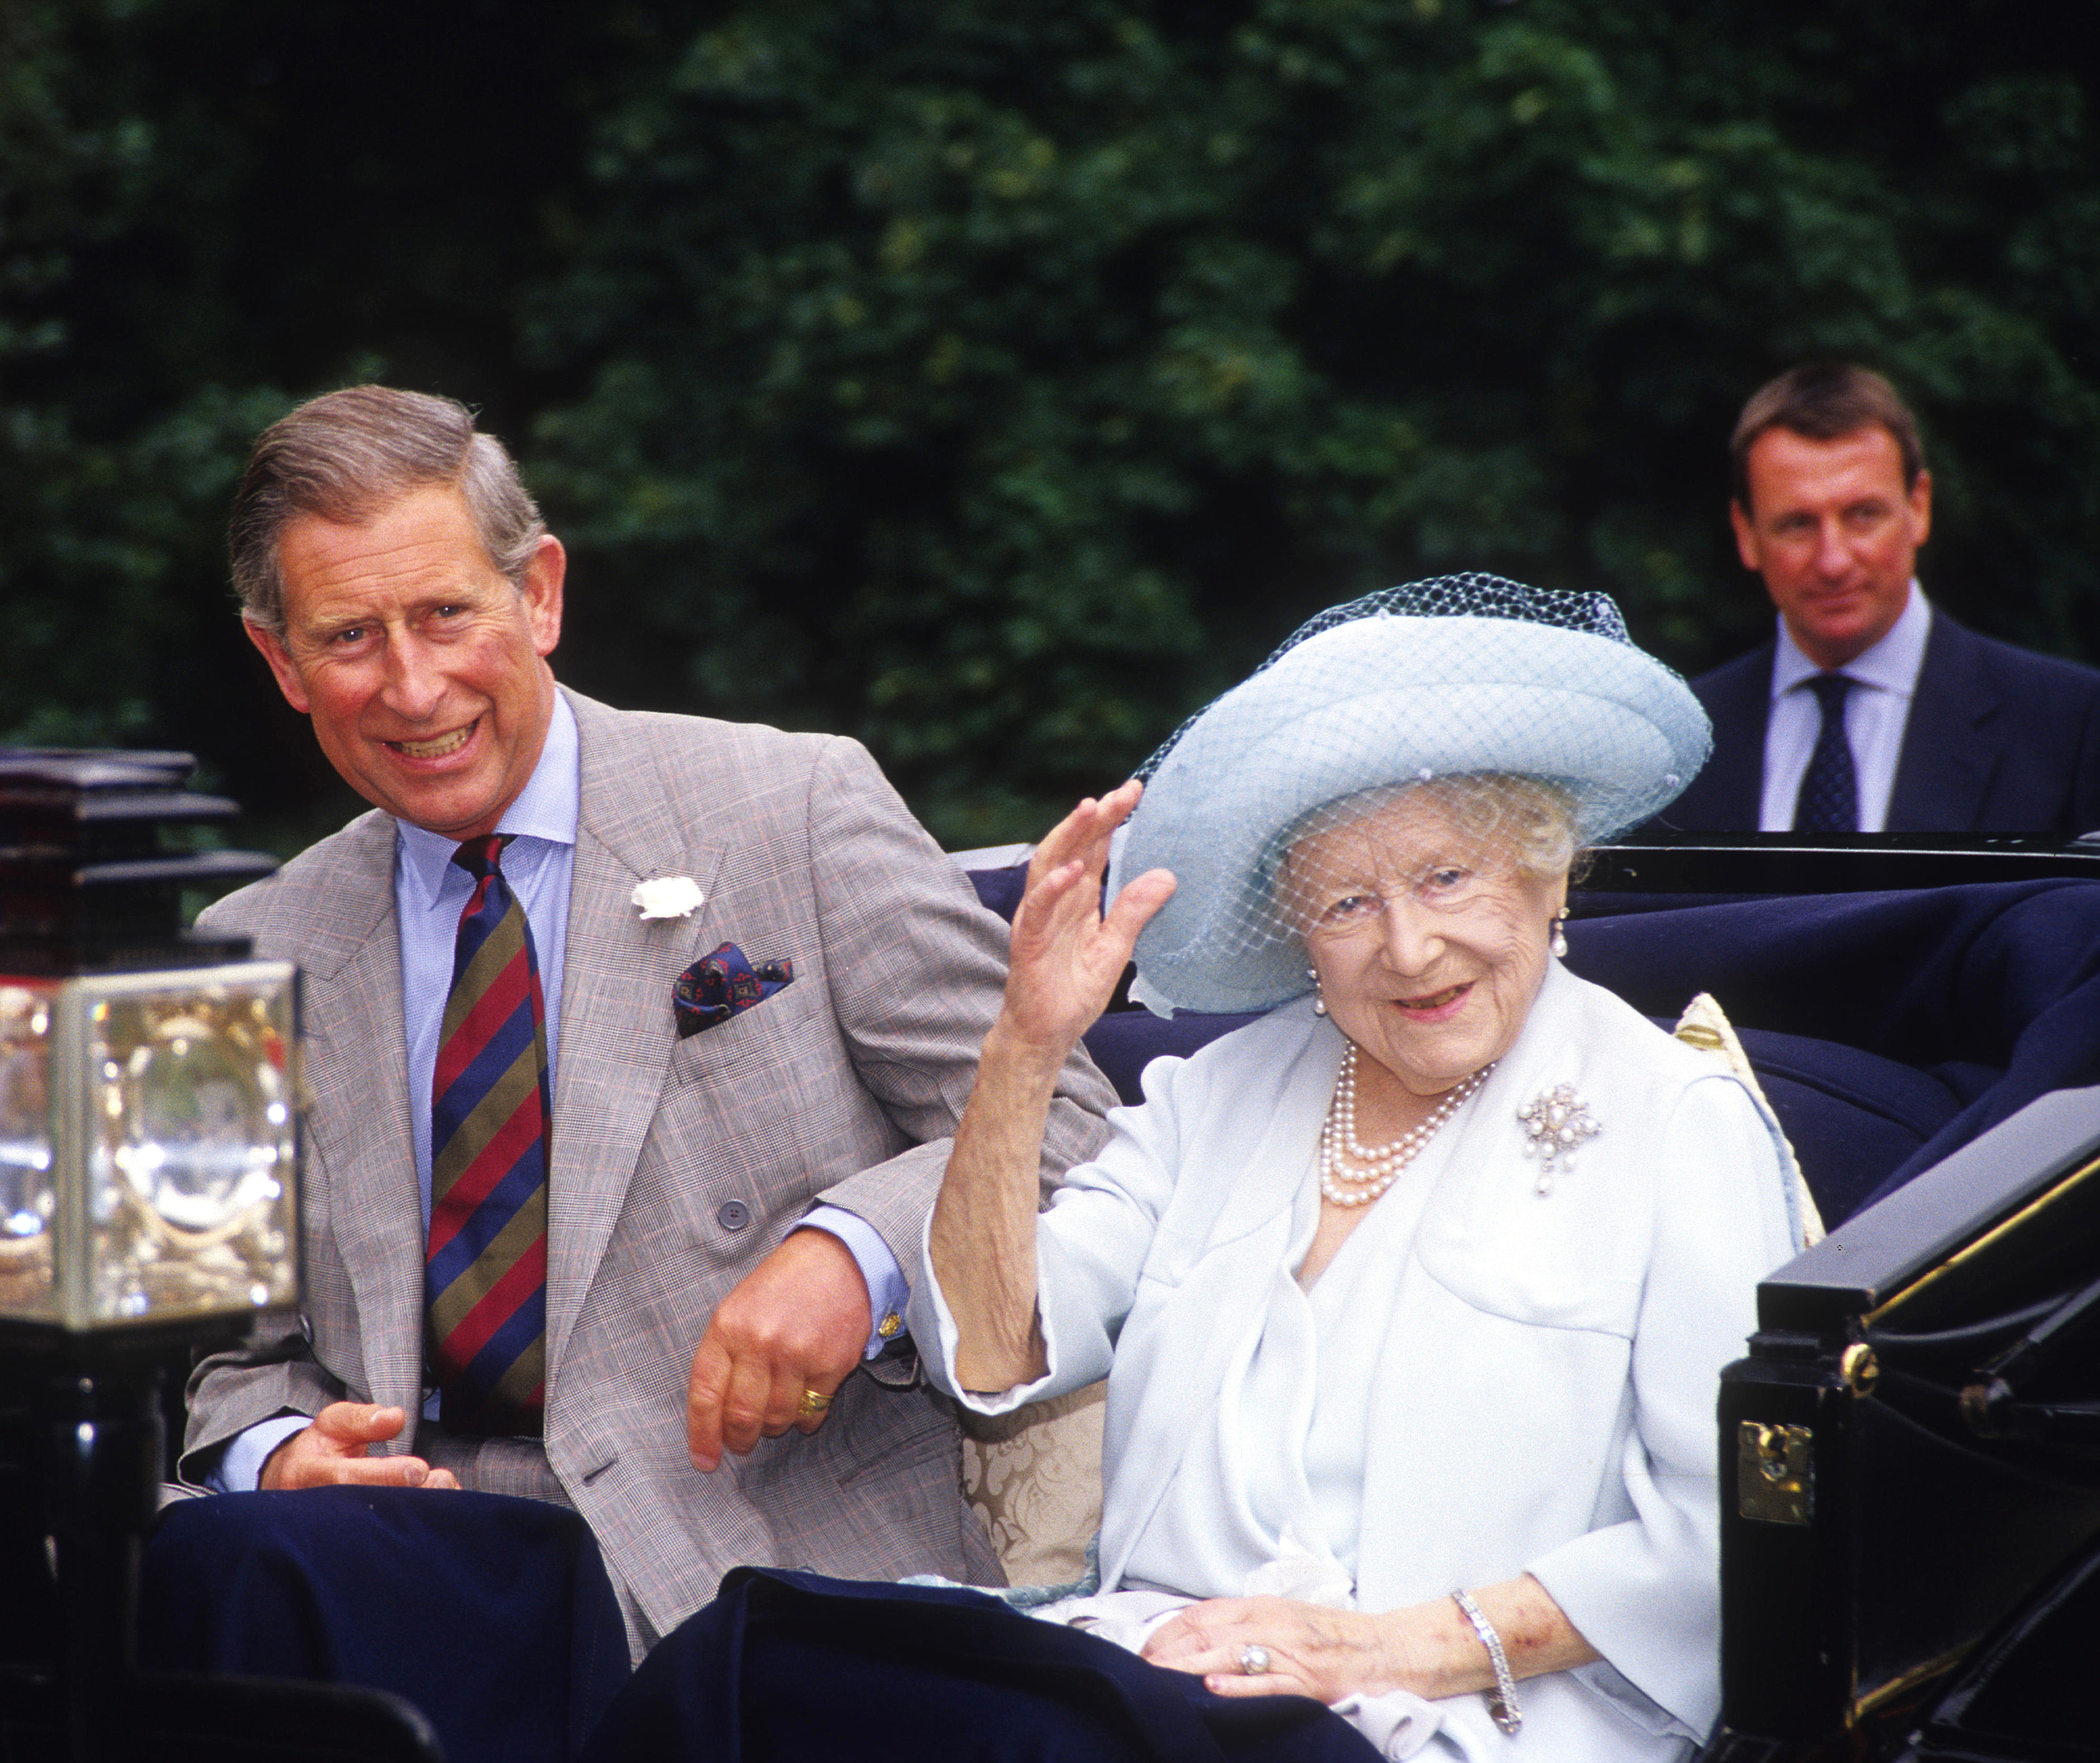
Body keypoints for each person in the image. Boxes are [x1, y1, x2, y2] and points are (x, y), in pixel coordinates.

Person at [586, 576, 1814, 1763]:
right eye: (1343, 902)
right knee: (740, 1660)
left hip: (1457, 1713)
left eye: (1445, 875)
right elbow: (997, 1344)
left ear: (1546, 871)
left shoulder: (1671, 1119)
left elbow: (1730, 1533)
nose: (1405, 944)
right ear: (1295, 930)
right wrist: (1020, 1047)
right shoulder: (1211, 1097)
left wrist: (1373, 1645)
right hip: (1146, 1672)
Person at [142, 386, 1116, 1744]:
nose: (411, 686)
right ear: (280, 664)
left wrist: (856, 1254)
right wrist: (275, 1454)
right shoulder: (249, 947)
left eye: (443, 615)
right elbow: (223, 1357)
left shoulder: (787, 806)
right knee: (197, 1567)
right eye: (349, 638)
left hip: (763, 1563)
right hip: (434, 1583)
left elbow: (1064, 1117)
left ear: (537, 593)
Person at [1661, 362, 2100, 834]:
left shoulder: (2069, 725)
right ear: (1745, 533)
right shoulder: (1677, 743)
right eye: (1797, 524)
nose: (1833, 562)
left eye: (1863, 515)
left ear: (1919, 507)